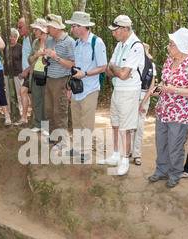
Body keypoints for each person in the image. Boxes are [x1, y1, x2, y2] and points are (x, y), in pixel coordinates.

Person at [148, 27, 188, 187]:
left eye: (171, 44)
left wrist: (175, 90)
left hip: (180, 114)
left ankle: (174, 174)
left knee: (175, 146)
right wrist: (158, 88)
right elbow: (165, 82)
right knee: (161, 143)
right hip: (163, 110)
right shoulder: (169, 61)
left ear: (180, 46)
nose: (168, 46)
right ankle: (161, 171)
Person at [97, 15, 145, 176]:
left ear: (124, 29)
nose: (113, 34)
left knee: (125, 128)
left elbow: (123, 73)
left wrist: (116, 69)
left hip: (130, 92)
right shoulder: (120, 45)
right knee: (116, 124)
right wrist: (116, 69)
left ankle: (125, 160)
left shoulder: (136, 46)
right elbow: (109, 70)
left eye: (115, 31)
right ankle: (116, 155)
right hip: (117, 90)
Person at [65, 11, 107, 163]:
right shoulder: (77, 43)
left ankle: (86, 151)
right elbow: (75, 67)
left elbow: (103, 66)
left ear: (82, 26)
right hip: (77, 88)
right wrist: (69, 88)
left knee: (86, 120)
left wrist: (86, 73)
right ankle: (77, 148)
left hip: (90, 87)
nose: (72, 30)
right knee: (76, 118)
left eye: (74, 26)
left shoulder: (97, 42)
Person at [43, 14, 75, 151]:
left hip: (62, 81)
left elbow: (73, 64)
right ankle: (54, 136)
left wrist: (56, 58)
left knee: (59, 111)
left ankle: (63, 141)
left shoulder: (70, 42)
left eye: (49, 27)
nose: (47, 29)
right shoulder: (49, 41)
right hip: (49, 80)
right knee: (49, 110)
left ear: (56, 27)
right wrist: (46, 58)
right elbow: (46, 60)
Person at [130, 43, 156, 166]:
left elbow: (152, 85)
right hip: (131, 96)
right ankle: (128, 150)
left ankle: (137, 154)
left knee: (139, 126)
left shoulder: (152, 65)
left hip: (144, 96)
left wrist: (144, 102)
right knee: (129, 125)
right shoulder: (133, 65)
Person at [27, 18, 50, 137]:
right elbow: (29, 60)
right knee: (36, 99)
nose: (34, 31)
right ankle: (38, 124)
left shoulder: (51, 41)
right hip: (35, 74)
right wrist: (37, 54)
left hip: (48, 76)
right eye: (34, 29)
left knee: (46, 101)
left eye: (36, 29)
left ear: (42, 30)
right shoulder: (36, 42)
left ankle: (46, 126)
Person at [16, 18, 32, 125]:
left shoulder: (32, 39)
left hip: (32, 72)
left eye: (20, 27)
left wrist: (26, 70)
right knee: (30, 95)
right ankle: (30, 117)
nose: (18, 29)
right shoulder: (25, 39)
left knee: (23, 91)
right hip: (27, 73)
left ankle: (24, 117)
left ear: (27, 27)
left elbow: (37, 58)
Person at [4, 28, 24, 117]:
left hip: (18, 74)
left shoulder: (20, 47)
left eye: (14, 37)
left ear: (17, 38)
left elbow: (23, 61)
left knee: (19, 93)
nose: (12, 39)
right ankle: (9, 110)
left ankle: (20, 111)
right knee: (8, 92)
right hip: (7, 73)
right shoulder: (5, 47)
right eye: (11, 36)